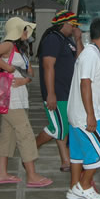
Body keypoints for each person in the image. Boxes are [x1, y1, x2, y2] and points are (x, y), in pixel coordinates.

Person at [0, 17, 52, 188]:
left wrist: (25, 80)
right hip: (9, 99)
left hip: (16, 98)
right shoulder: (8, 45)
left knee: (7, 136)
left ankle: (2, 174)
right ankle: (31, 175)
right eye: (24, 29)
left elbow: (30, 74)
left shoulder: (20, 49)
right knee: (26, 134)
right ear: (16, 30)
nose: (27, 32)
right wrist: (7, 68)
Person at [65, 18, 100, 199]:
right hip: (84, 115)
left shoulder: (89, 53)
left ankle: (73, 190)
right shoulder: (91, 55)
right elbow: (85, 84)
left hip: (76, 114)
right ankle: (84, 185)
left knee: (78, 156)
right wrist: (91, 115)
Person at [35, 10, 84, 172]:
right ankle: (29, 150)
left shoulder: (67, 40)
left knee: (64, 127)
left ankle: (65, 161)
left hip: (67, 92)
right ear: (66, 23)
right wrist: (51, 94)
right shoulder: (53, 39)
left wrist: (78, 39)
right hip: (57, 92)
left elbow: (80, 59)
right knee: (57, 128)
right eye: (74, 25)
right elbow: (48, 66)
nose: (75, 28)